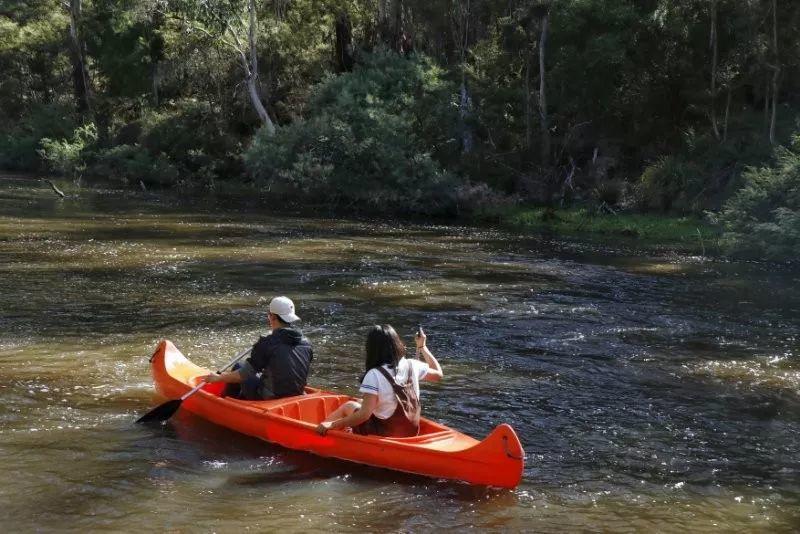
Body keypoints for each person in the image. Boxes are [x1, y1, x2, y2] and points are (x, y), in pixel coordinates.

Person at [316, 324, 442, 437]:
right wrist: (423, 347)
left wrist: (332, 424)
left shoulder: (374, 374)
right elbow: (438, 374)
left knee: (348, 406)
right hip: (412, 431)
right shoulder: (412, 364)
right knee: (361, 401)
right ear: (396, 344)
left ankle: (321, 430)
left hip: (387, 432)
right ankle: (344, 430)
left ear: (372, 349)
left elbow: (364, 415)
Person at [203, 296, 313, 399]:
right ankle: (240, 399)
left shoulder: (267, 342)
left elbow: (242, 375)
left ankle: (226, 401)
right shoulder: (306, 343)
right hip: (296, 394)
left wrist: (218, 378)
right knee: (258, 372)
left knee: (238, 366)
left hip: (270, 397)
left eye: (269, 315)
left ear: (273, 317)